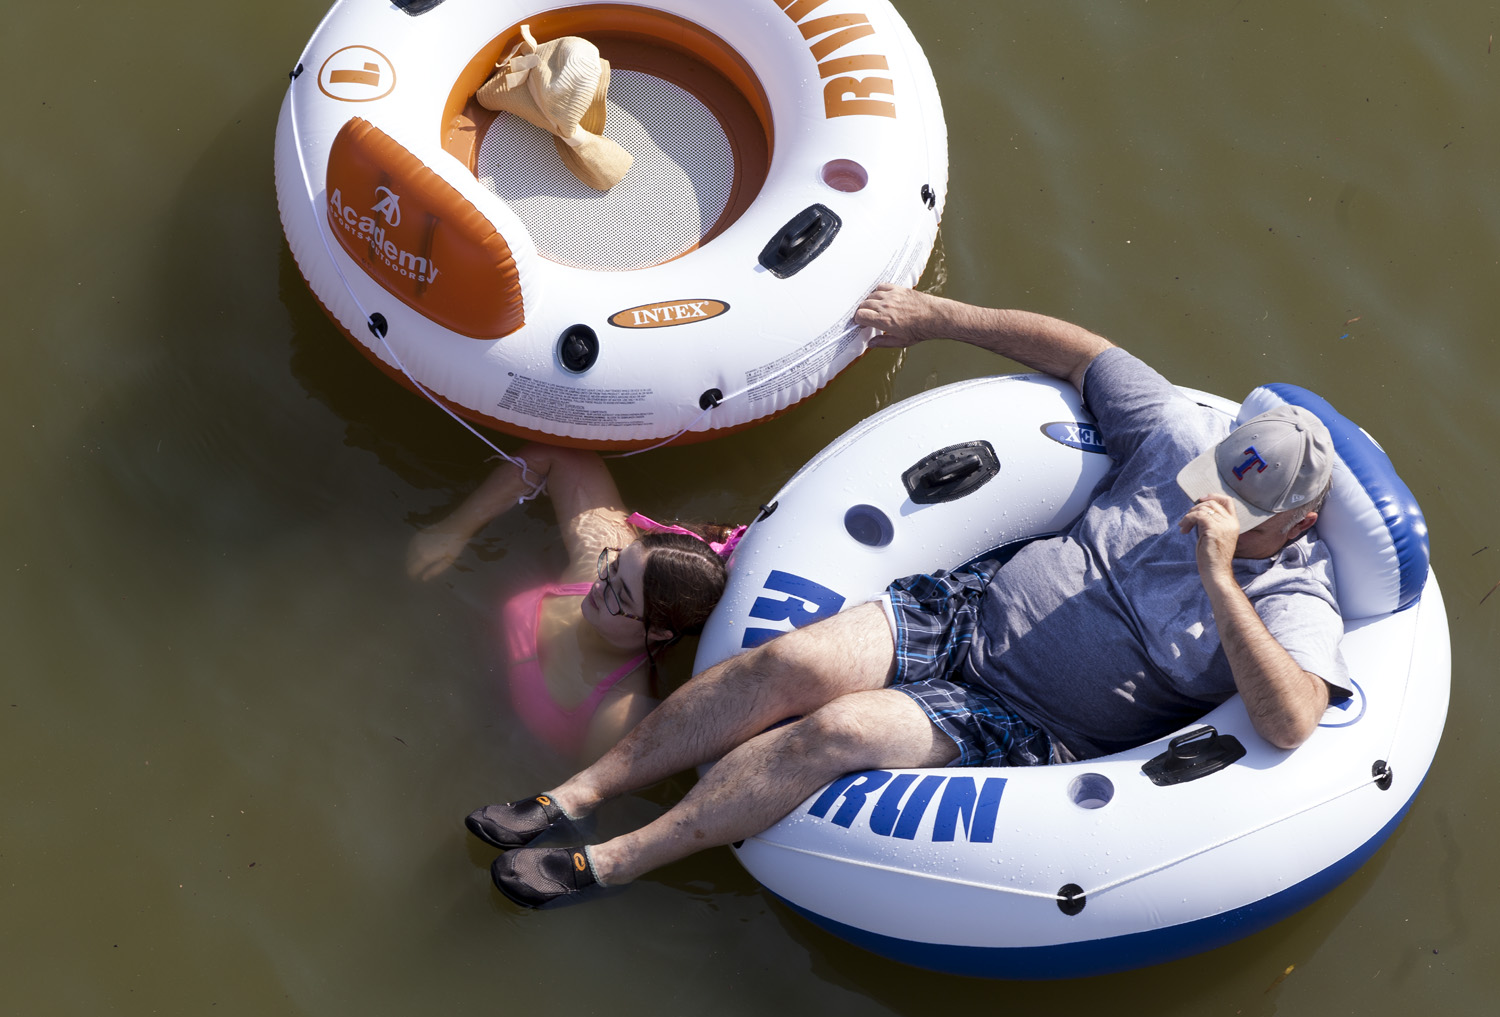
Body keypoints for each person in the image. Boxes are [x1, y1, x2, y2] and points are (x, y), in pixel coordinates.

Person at [466, 286, 1353, 907]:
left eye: (1238, 506)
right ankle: (573, 796)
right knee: (792, 658)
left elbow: (1291, 718)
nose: (1208, 499)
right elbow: (1085, 354)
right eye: (1215, 478)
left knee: (842, 730)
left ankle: (616, 861)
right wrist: (937, 317)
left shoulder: (1292, 592)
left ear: (1297, 520)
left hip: (1033, 721)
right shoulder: (1177, 439)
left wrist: (1216, 572)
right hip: (971, 606)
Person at [408, 444, 742, 762]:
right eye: (612, 566)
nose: (599, 586)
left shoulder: (618, 709)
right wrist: (454, 530)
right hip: (436, 666)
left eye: (620, 594)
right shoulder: (601, 569)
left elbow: (577, 797)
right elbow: (561, 456)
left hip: (477, 737)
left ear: (658, 632)